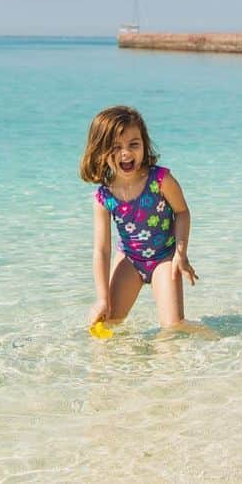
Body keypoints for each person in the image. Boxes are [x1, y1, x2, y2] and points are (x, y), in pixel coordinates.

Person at [79, 105, 198, 329]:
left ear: (144, 145)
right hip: (130, 260)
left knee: (173, 328)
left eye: (134, 144)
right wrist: (102, 299)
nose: (126, 152)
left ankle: (208, 339)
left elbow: (182, 212)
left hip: (164, 257)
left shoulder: (160, 180)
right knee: (106, 324)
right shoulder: (104, 197)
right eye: (116, 147)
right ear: (100, 152)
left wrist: (180, 255)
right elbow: (101, 251)